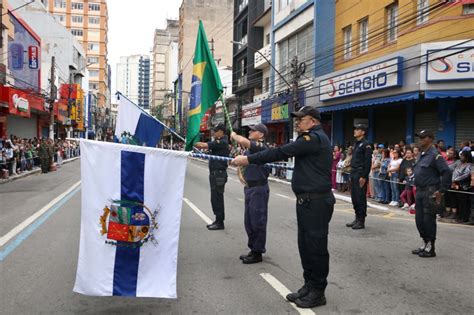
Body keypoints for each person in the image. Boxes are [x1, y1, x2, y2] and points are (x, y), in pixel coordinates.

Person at [231, 106, 334, 309]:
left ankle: (318, 291)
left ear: (312, 121)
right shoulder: (309, 138)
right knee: (305, 246)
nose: (297, 122)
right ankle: (309, 285)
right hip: (306, 201)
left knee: (316, 247)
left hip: (317, 202)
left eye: (300, 119)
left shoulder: (313, 139)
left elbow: (280, 152)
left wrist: (248, 159)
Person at [230, 123, 270, 264]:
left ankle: (258, 252)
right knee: (249, 221)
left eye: (254, 130)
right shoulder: (249, 150)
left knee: (258, 221)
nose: (250, 132)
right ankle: (253, 249)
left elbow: (242, 141)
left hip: (259, 188)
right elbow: (242, 163)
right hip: (250, 188)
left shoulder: (261, 146)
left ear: (261, 135)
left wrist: (235, 136)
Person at [412, 130, 451, 258]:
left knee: (428, 220)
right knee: (419, 220)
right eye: (419, 137)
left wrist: (441, 190)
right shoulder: (422, 154)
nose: (420, 140)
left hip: (430, 191)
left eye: (423, 137)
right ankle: (424, 243)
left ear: (430, 139)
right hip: (419, 191)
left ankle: (431, 248)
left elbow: (446, 172)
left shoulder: (435, 155)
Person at [195, 123, 230, 230]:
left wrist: (193, 141)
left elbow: (203, 145)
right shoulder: (218, 142)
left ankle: (220, 222)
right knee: (215, 198)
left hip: (218, 174)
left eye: (216, 131)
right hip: (215, 174)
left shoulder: (222, 142)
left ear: (221, 132)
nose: (214, 133)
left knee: (217, 198)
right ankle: (217, 220)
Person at [346, 124, 372, 230]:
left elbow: (368, 162)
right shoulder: (356, 144)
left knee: (360, 197)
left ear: (363, 132)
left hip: (360, 173)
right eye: (355, 129)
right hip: (354, 172)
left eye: (357, 130)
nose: (355, 131)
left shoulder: (366, 145)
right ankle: (357, 218)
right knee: (354, 197)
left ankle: (361, 220)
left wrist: (364, 176)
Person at [451, 151, 472, 223]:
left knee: (464, 203)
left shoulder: (470, 165)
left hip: (464, 187)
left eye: (463, 156)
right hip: (456, 186)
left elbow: (466, 175)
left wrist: (456, 179)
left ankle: (464, 217)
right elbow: (454, 172)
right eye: (461, 156)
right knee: (459, 202)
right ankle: (459, 216)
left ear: (467, 157)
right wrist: (453, 180)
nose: (461, 157)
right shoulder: (459, 164)